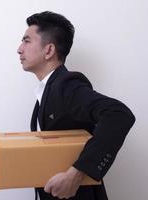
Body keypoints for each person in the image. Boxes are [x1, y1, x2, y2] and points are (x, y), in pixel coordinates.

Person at [17, 11, 135, 200]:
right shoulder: (48, 90)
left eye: (26, 41)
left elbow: (119, 114)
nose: (19, 49)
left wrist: (76, 173)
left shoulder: (66, 86)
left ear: (49, 50)